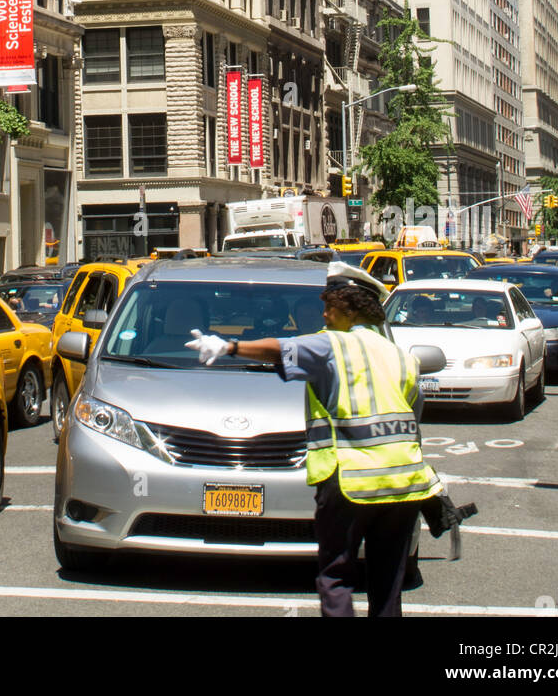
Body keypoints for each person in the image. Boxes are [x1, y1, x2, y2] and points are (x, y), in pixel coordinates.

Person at [186, 262, 446, 617]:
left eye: (330, 307)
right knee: (388, 582)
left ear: (350, 310)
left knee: (336, 576)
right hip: (404, 486)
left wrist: (229, 346)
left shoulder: (332, 347)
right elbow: (412, 421)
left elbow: (279, 349)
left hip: (349, 482)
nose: (323, 315)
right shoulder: (402, 357)